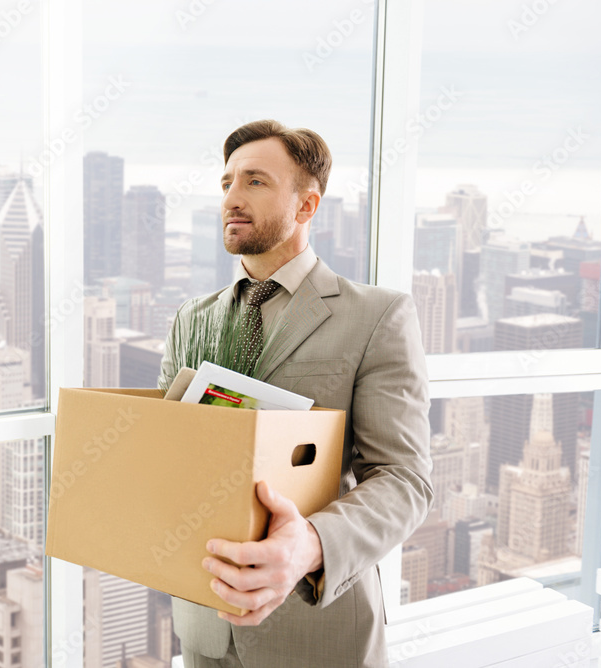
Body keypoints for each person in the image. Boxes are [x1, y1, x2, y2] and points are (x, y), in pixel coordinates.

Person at [158, 120, 433, 667]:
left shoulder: (377, 316)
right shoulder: (191, 319)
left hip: (319, 633)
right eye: (227, 182)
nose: (232, 199)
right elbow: (168, 455)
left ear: (306, 207)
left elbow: (405, 480)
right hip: (205, 628)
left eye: (255, 182)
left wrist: (308, 544)